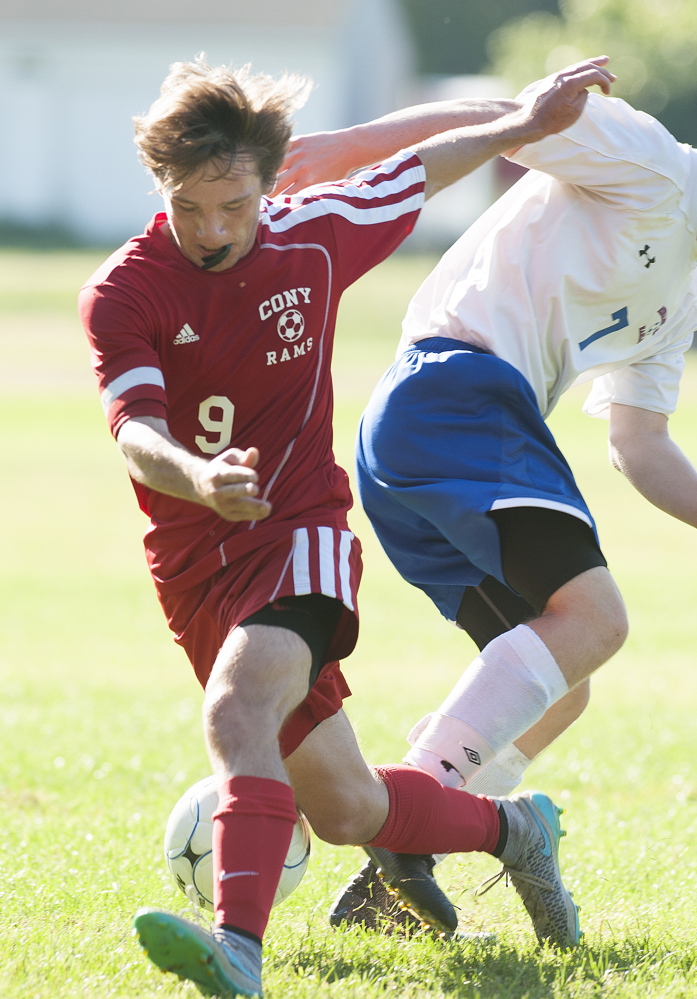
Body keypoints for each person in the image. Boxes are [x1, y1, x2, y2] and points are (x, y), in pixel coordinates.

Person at [279, 75, 697, 925]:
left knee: (561, 685)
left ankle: (400, 850)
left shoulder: (681, 297)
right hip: (455, 391)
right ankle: (405, 822)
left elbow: (637, 441)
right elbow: (497, 118)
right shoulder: (646, 160)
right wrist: (348, 148)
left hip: (431, 431)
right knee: (595, 620)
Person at [78, 55, 618, 997]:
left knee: (237, 708)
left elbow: (417, 168)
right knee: (348, 807)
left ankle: (237, 950)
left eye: (236, 205)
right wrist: (201, 477)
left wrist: (524, 121)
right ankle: (517, 829)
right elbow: (136, 433)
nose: (213, 231)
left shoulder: (314, 237)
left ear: (269, 180)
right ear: (161, 186)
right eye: (190, 207)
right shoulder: (123, 293)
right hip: (194, 566)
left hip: (298, 533)